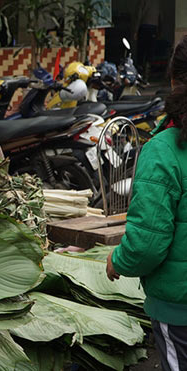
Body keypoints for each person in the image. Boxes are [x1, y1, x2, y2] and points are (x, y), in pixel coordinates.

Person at [106, 35, 187, 370]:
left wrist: (118, 260)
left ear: (172, 82)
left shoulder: (164, 150)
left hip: (178, 311)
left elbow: (147, 245)